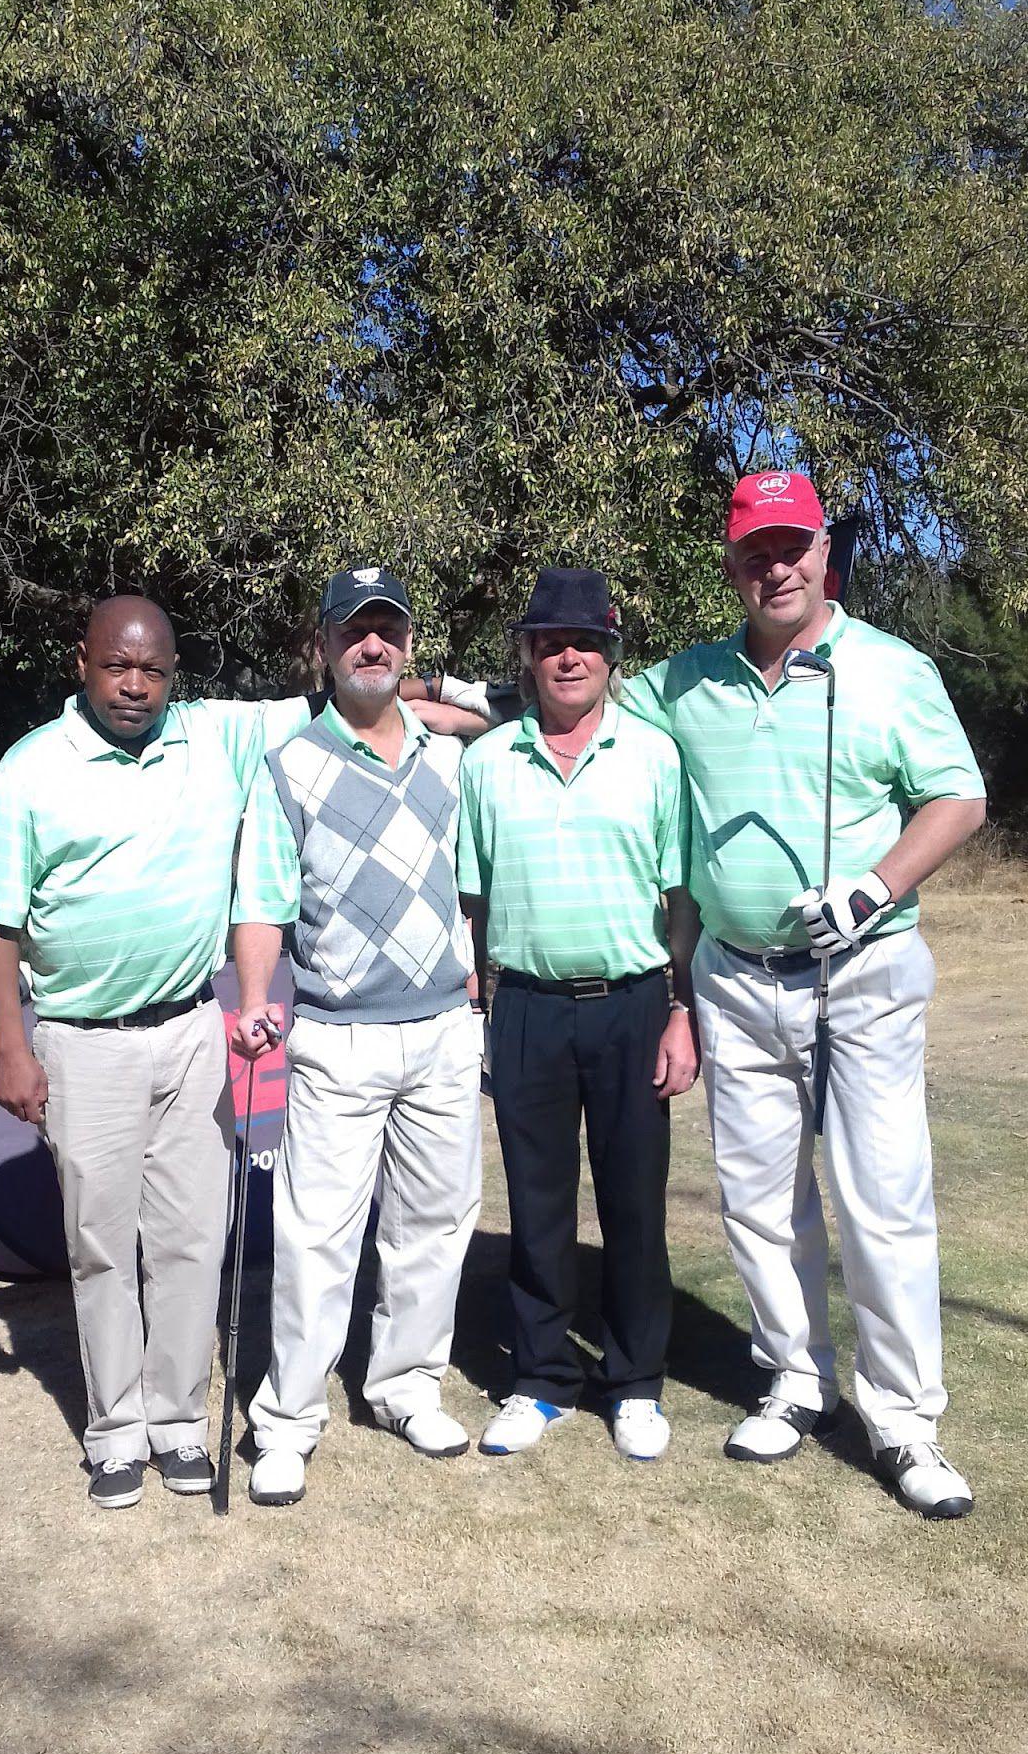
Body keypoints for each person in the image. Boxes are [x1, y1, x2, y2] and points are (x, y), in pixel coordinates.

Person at [621, 470, 987, 1518]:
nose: (775, 566)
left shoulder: (891, 668)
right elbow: (583, 698)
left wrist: (875, 886)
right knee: (758, 1196)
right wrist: (458, 700)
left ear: (825, 551)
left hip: (862, 974)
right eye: (754, 552)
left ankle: (905, 1418)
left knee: (882, 1197)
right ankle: (795, 1375)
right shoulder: (688, 681)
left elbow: (957, 797)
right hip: (736, 977)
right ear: (732, 566)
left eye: (792, 546)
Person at [0, 596, 310, 1509]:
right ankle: (115, 1434)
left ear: (172, 676)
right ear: (83, 662)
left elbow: (339, 695)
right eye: (118, 666)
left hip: (192, 1028)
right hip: (84, 1043)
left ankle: (179, 1422)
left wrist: (451, 689)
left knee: (193, 1240)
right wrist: (11, 1046)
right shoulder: (31, 769)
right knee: (102, 1247)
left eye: (152, 671)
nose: (134, 686)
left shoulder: (211, 739)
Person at [232, 567, 481, 1507]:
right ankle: (289, 1419)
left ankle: (406, 1387)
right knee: (314, 1238)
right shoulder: (289, 763)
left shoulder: (451, 757)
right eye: (354, 631)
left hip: (442, 1029)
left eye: (388, 631)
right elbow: (261, 898)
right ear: (325, 647)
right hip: (336, 1035)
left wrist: (446, 704)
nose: (372, 646)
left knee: (433, 1226)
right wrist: (257, 997)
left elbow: (506, 727)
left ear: (409, 645)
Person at [457, 568, 700, 1461]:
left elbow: (681, 899)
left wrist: (681, 1009)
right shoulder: (487, 763)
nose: (569, 656)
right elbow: (472, 905)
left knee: (635, 1201)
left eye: (585, 643)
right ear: (526, 655)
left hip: (633, 1004)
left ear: (609, 655)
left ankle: (634, 1381)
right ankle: (543, 1377)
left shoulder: (654, 755)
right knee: (538, 1204)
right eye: (551, 642)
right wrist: (480, 1005)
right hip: (523, 1006)